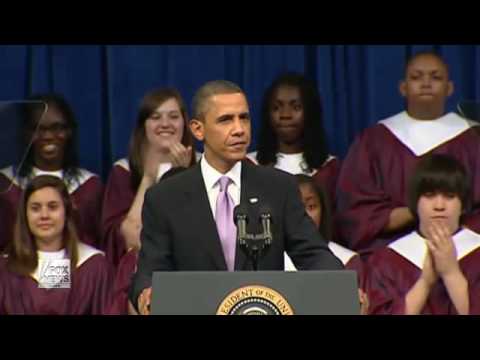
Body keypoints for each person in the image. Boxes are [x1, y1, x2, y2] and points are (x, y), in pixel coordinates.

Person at [130, 80, 344, 315]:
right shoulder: (165, 197)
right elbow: (150, 268)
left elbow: (313, 254)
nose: (239, 129)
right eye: (225, 120)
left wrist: (344, 287)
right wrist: (146, 292)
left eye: (244, 118)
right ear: (197, 129)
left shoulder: (278, 187)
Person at [335, 51, 480, 255]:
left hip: (463, 254)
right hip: (391, 259)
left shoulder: (472, 141)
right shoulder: (373, 142)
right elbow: (356, 212)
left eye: (436, 77)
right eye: (416, 77)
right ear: (403, 88)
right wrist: (419, 213)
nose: (426, 83)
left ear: (450, 88)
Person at [366, 154, 480, 315]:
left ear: (463, 205)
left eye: (449, 196)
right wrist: (425, 282)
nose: (439, 206)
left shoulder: (476, 252)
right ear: (415, 203)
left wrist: (451, 273)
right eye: (429, 195)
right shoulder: (386, 261)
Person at [101, 88, 198, 267]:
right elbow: (132, 241)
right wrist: (148, 178)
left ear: (185, 124)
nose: (165, 123)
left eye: (174, 116)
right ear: (143, 125)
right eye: (155, 117)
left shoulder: (202, 167)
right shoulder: (124, 171)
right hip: (140, 274)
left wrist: (182, 177)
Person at [0, 93, 104, 251]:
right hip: (17, 271)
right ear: (26, 134)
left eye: (57, 128)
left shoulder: (90, 187)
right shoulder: (5, 184)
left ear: (69, 131)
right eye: (39, 129)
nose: (48, 136)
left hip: (74, 272)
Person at [0, 175, 113, 315]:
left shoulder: (94, 266)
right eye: (35, 208)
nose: (44, 215)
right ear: (25, 215)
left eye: (53, 207)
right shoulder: (6, 268)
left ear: (66, 213)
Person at [248, 72, 340, 208]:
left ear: (310, 112)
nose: (285, 115)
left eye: (296, 107)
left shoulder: (330, 169)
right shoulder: (249, 166)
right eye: (276, 108)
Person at [284, 174, 369, 314]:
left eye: (311, 207)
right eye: (296, 208)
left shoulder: (348, 261)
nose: (304, 215)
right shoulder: (268, 259)